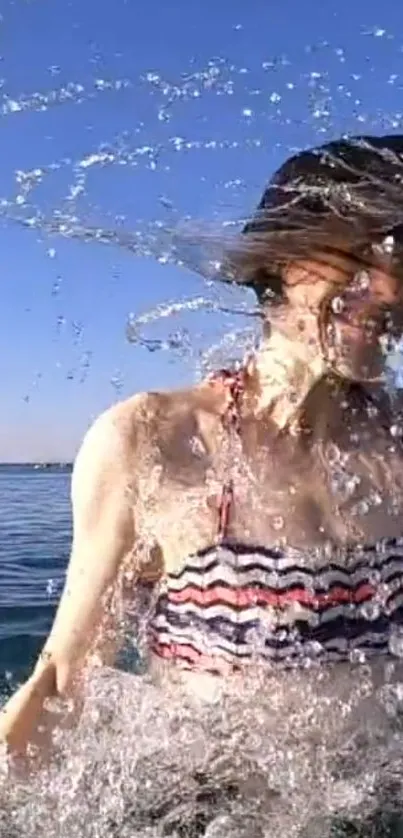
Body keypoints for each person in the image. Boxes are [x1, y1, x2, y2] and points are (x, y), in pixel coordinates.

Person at [2, 133, 403, 763]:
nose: (386, 286)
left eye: (401, 256)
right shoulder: (153, 440)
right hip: (204, 805)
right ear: (278, 254)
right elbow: (65, 682)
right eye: (359, 252)